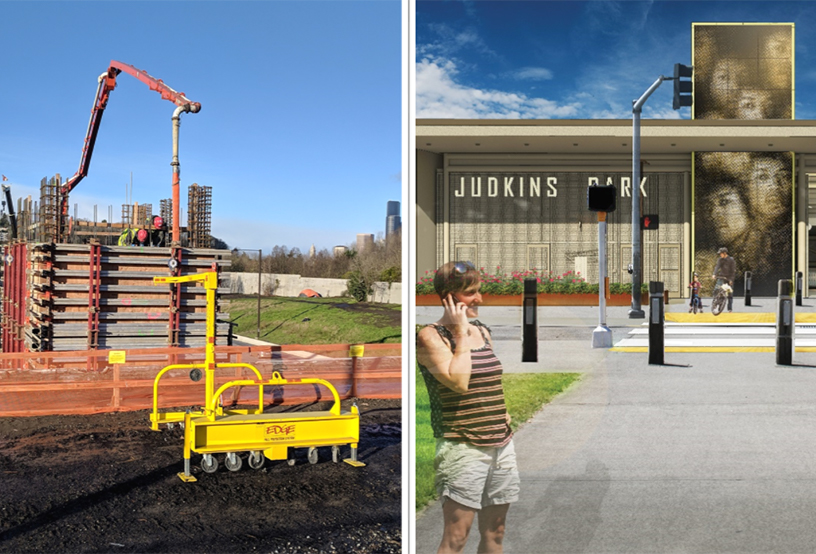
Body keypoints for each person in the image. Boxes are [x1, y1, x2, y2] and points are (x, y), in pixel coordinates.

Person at [416, 261, 520, 554]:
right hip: (462, 447)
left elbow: (487, 380)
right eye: (471, 293)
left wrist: (502, 411)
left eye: (479, 291)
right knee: (456, 537)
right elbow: (459, 382)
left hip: (501, 444)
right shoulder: (430, 337)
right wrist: (460, 333)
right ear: (449, 296)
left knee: (496, 532)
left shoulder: (483, 332)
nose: (480, 299)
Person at [712, 247, 736, 313]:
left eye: (721, 253)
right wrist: (714, 274)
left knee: (730, 294)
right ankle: (716, 305)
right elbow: (717, 267)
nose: (720, 255)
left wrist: (731, 280)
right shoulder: (720, 260)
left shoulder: (731, 260)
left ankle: (729, 309)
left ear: (725, 253)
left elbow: (733, 271)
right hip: (721, 277)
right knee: (716, 290)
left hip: (729, 278)